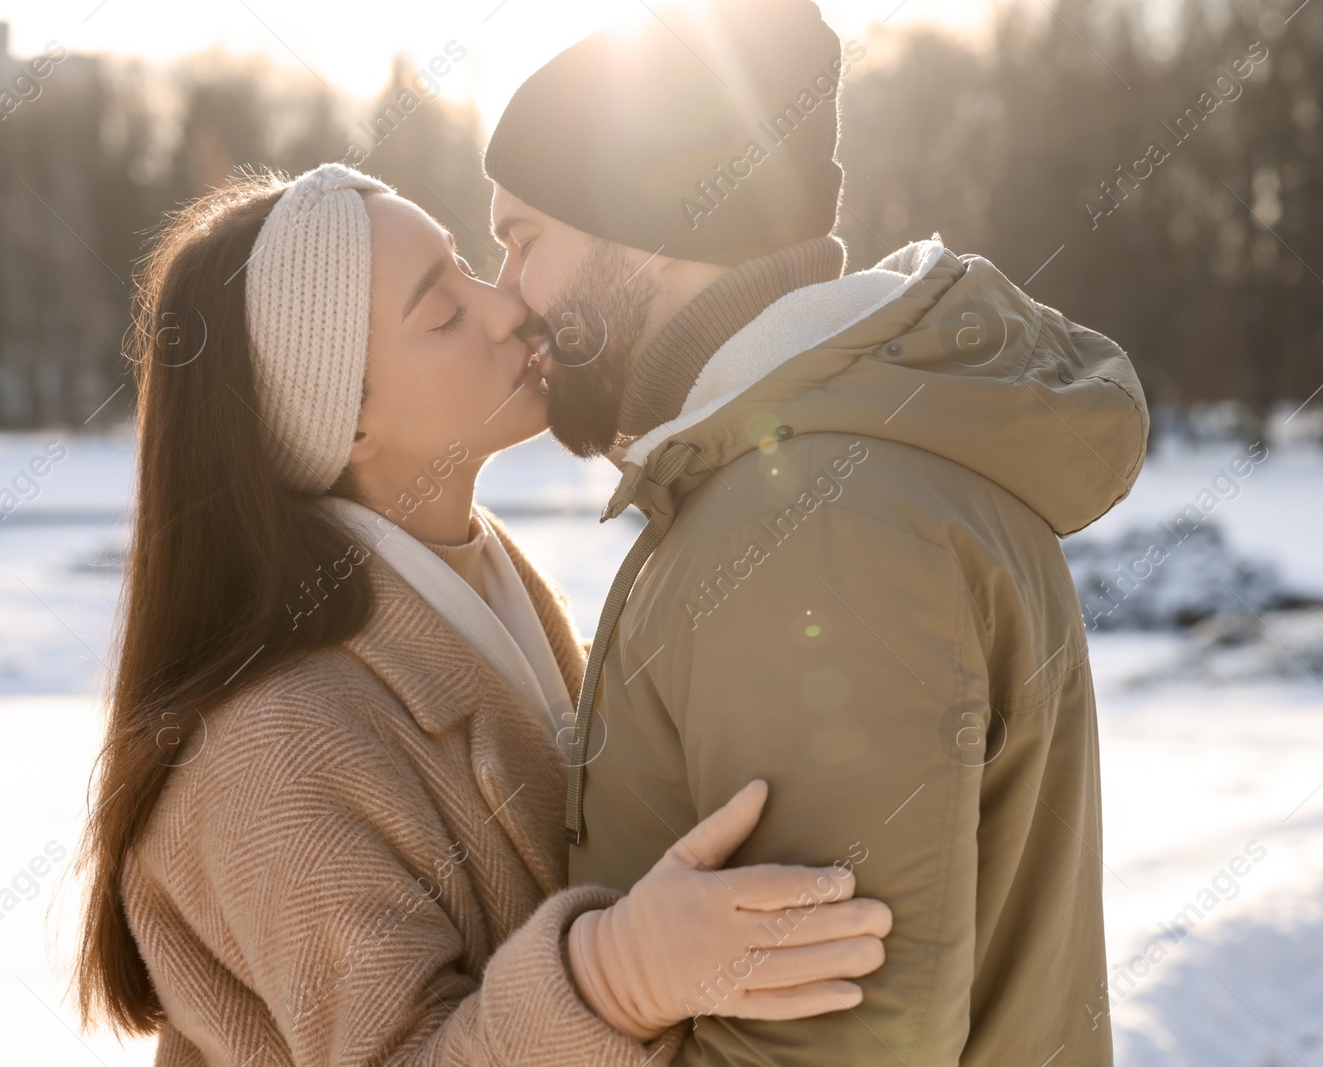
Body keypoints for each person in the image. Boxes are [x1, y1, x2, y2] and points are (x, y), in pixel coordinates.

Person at [74, 163, 893, 1066]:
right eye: (442, 311)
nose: (508, 305)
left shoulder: (496, 592)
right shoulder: (269, 750)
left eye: (468, 264)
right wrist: (614, 978)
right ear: (342, 424)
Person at [483, 0, 1148, 1062]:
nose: (509, 297)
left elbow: (827, 1043)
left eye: (523, 240)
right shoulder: (833, 469)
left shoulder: (809, 521)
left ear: (646, 232)